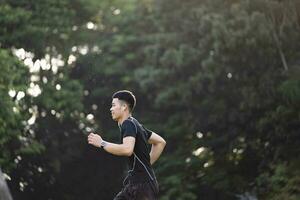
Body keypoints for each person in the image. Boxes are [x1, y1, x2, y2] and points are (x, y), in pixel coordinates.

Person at [88, 90, 166, 200]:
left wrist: (101, 143)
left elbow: (127, 149)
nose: (111, 109)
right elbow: (160, 142)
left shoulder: (128, 124)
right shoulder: (136, 124)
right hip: (137, 184)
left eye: (114, 105)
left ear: (124, 107)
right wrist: (144, 166)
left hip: (142, 186)